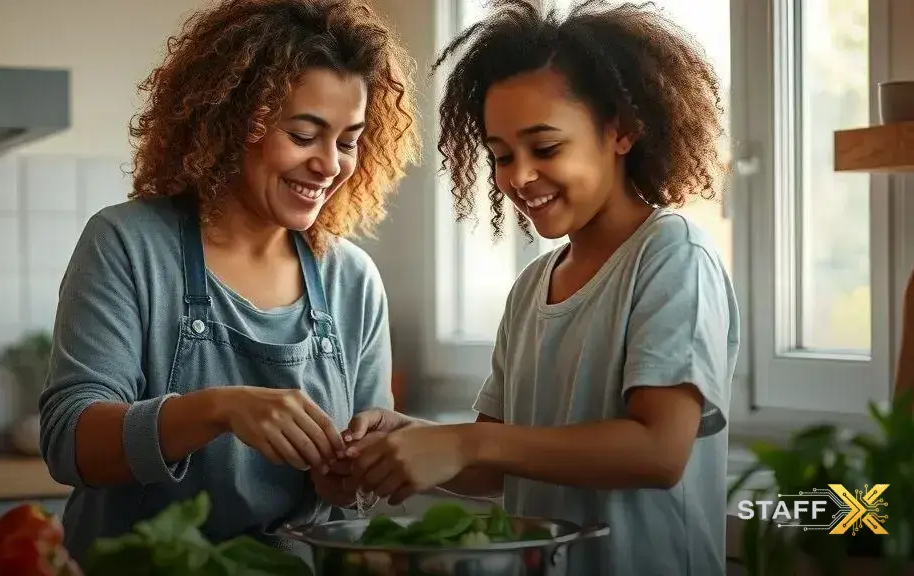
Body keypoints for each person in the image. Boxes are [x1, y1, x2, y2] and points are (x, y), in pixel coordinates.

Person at [342, 0, 741, 574]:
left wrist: (464, 444)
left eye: (546, 147)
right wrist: (413, 439)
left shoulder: (673, 256)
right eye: (501, 156)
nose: (519, 177)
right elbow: (496, 464)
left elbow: (658, 451)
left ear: (621, 129)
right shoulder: (532, 286)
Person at [38, 0, 420, 564]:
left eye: (346, 141)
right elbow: (70, 443)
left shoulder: (352, 279)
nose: (331, 165)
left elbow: (358, 488)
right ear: (235, 119)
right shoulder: (127, 243)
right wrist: (218, 409)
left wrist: (353, 476)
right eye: (304, 133)